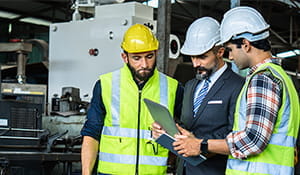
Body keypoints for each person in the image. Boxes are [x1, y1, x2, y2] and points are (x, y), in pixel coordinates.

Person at [172, 6, 300, 175]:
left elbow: (253, 140)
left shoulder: (263, 79)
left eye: (231, 49)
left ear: (245, 45)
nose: (230, 56)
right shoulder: (281, 77)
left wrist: (201, 145)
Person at [80, 24, 183, 175]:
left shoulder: (173, 88)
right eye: (137, 58)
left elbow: (185, 133)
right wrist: (86, 172)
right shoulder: (105, 84)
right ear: (125, 57)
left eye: (149, 56)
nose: (144, 65)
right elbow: (91, 134)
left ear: (156, 53)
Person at [152, 17, 244, 175]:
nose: (195, 64)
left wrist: (199, 143)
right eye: (192, 57)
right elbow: (186, 125)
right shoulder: (190, 86)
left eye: (202, 57)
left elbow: (237, 136)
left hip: (214, 170)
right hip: (185, 170)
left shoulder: (237, 86)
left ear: (220, 52)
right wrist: (167, 131)